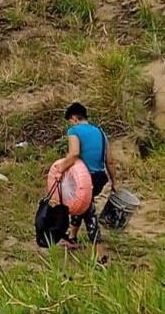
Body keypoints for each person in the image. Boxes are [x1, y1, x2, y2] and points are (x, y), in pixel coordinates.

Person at [53, 102, 117, 266]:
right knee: (81, 204)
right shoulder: (101, 132)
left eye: (70, 121)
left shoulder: (74, 131)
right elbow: (109, 161)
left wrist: (60, 168)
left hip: (84, 179)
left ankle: (101, 256)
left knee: (89, 213)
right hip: (100, 178)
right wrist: (114, 182)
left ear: (74, 118)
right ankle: (72, 237)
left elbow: (74, 154)